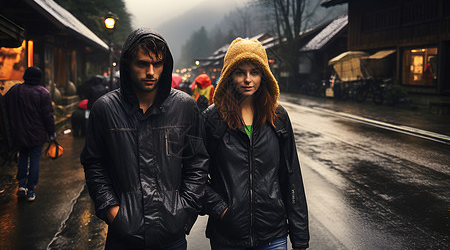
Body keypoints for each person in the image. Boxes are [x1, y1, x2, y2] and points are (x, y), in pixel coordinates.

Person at [80, 28, 209, 250]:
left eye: (157, 64)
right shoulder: (105, 109)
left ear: (165, 65)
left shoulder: (185, 107)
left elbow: (197, 162)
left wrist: (185, 209)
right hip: (123, 237)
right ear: (128, 64)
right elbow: (94, 164)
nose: (151, 72)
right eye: (142, 64)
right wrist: (112, 211)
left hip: (172, 236)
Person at [202, 38, 309, 250]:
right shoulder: (212, 119)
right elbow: (194, 174)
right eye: (240, 72)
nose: (248, 79)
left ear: (265, 76)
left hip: (273, 234)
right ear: (229, 76)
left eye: (255, 72)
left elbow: (291, 176)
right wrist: (222, 209)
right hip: (227, 237)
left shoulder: (278, 116)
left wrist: (300, 236)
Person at [4, 66, 56, 202]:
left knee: (22, 157)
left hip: (19, 132)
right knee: (34, 160)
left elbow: (4, 105)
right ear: (39, 77)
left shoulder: (15, 90)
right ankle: (31, 190)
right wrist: (51, 133)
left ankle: (21, 184)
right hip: (37, 133)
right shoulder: (42, 92)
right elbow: (48, 115)